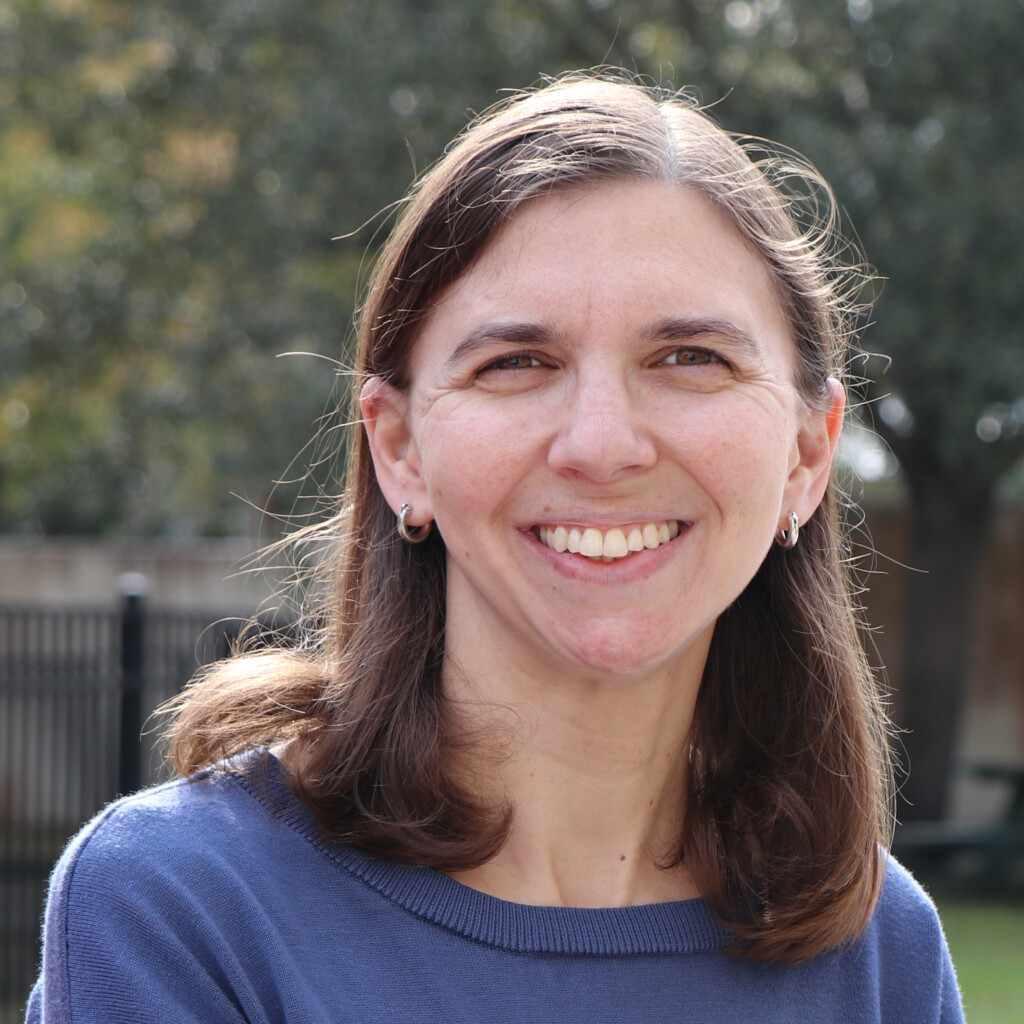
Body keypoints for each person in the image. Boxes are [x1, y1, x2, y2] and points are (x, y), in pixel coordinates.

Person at [26, 72, 964, 1022]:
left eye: (691, 358)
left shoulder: (879, 955)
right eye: (516, 363)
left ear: (808, 453)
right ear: (399, 450)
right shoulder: (180, 908)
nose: (602, 444)